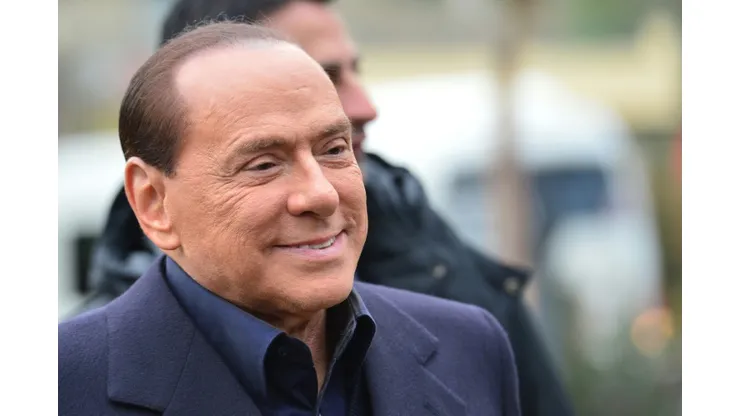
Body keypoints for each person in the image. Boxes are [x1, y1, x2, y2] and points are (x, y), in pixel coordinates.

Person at [80, 1, 574, 415]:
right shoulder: (65, 385)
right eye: (263, 164)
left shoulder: (470, 344)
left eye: (334, 149)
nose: (321, 194)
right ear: (154, 202)